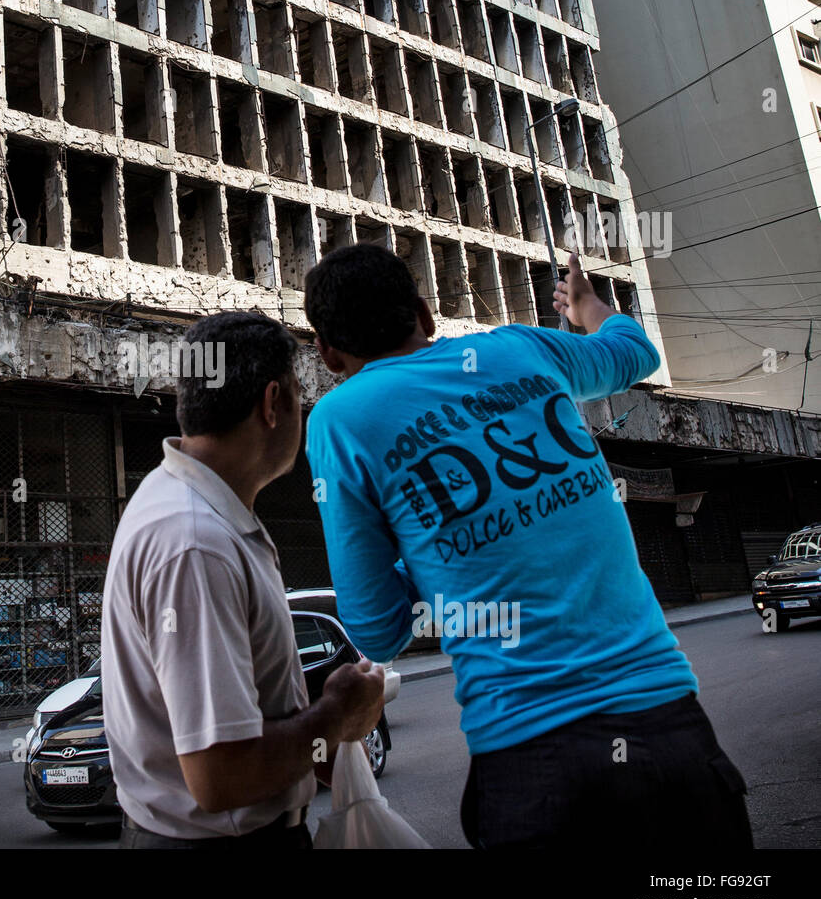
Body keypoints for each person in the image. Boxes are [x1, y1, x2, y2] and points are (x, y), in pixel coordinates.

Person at [303, 243, 752, 850]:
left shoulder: (340, 420)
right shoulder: (520, 347)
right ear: (425, 315)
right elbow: (635, 353)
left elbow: (379, 630)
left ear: (328, 353)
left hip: (531, 763)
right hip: (672, 732)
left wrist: (435, 545)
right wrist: (590, 306)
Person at [101, 311, 386, 849]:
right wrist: (337, 717)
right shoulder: (195, 542)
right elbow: (221, 776)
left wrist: (308, 750)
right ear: (272, 402)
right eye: (301, 395)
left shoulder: (194, 507)